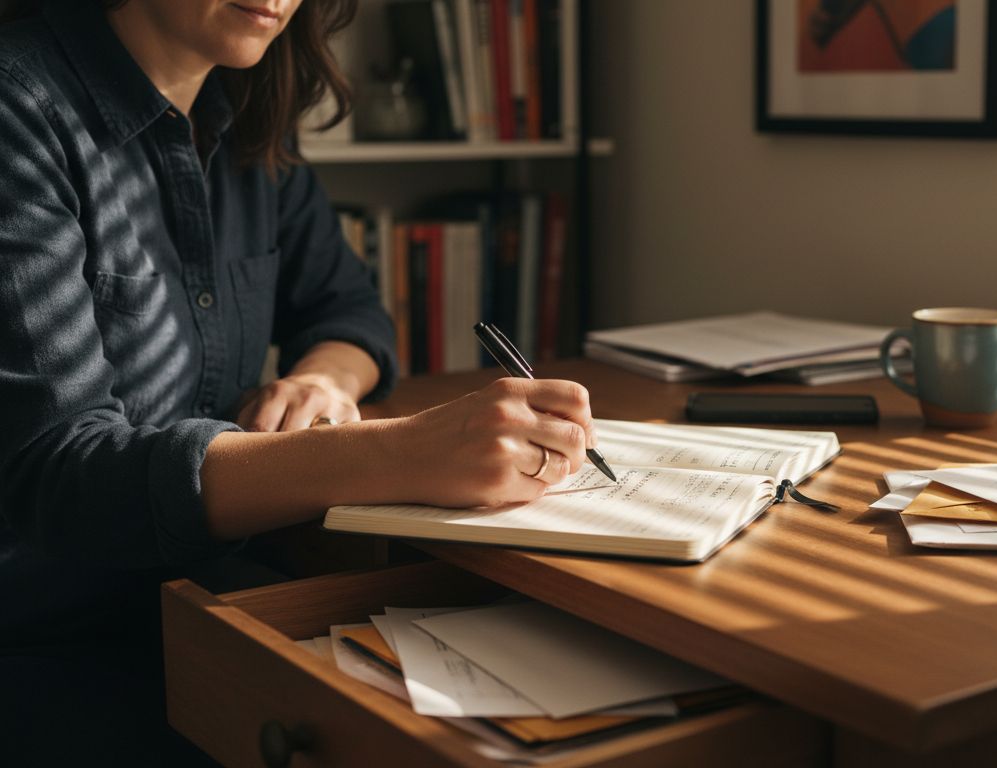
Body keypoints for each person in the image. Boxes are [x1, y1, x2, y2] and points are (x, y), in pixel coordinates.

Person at [0, 0, 596, 762]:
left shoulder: (250, 116)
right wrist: (398, 453)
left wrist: (325, 377)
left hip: (221, 591)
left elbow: (348, 309)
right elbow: (63, 472)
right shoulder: (19, 105)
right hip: (52, 644)